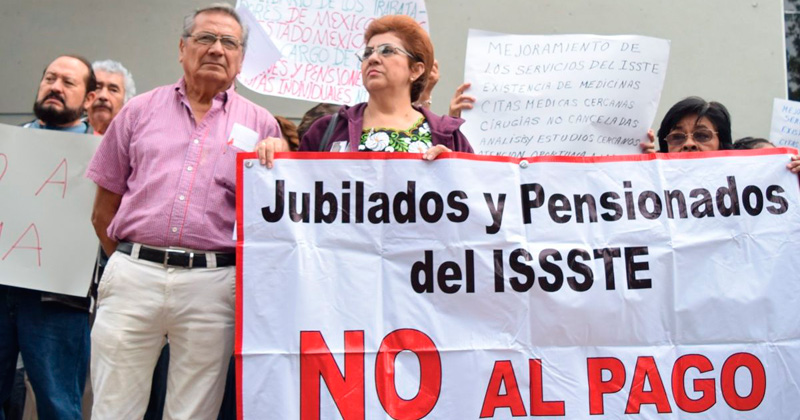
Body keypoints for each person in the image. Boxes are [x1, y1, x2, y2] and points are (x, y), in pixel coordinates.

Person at [86, 4, 283, 419]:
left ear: (241, 59)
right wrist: (133, 262)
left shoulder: (263, 126)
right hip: (133, 276)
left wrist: (280, 156)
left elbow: (270, 217)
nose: (216, 49)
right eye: (205, 38)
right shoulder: (138, 110)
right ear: (182, 48)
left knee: (194, 412)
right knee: (113, 409)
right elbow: (103, 210)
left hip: (212, 286)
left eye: (229, 42)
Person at [1, 54, 97, 420]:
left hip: (59, 299)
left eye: (68, 82)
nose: (55, 87)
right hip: (1, 290)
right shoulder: (8, 143)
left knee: (58, 404)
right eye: (50, 79)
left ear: (89, 98)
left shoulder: (102, 154)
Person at [293, 15, 472, 157]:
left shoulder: (448, 136)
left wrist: (452, 168)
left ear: (416, 70)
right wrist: (277, 156)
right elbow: (295, 187)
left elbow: (475, 189)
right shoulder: (326, 130)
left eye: (387, 51)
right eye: (367, 53)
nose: (373, 58)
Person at [87, 60, 137, 135]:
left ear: (126, 101)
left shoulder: (134, 138)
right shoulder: (71, 131)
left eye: (113, 90)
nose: (103, 96)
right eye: (97, 87)